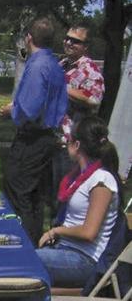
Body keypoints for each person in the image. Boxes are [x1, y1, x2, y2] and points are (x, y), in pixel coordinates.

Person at [0, 16, 68, 246]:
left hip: (33, 137)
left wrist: (12, 110)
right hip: (48, 136)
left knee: (18, 188)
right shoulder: (55, 65)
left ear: (29, 38)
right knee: (35, 193)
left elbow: (30, 106)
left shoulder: (38, 65)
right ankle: (36, 240)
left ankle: (24, 243)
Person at [37, 116, 120, 288]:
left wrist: (56, 231)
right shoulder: (79, 176)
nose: (65, 143)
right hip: (64, 249)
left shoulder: (102, 181)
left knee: (25, 259)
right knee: (18, 252)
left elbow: (89, 232)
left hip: (84, 259)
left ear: (77, 145)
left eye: (68, 140)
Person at [51, 25, 105, 214]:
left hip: (73, 145)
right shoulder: (62, 64)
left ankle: (64, 235)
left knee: (67, 198)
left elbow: (94, 99)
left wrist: (64, 88)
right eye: (67, 38)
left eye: (75, 41)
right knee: (53, 197)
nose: (68, 42)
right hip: (55, 140)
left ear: (86, 46)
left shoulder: (90, 70)